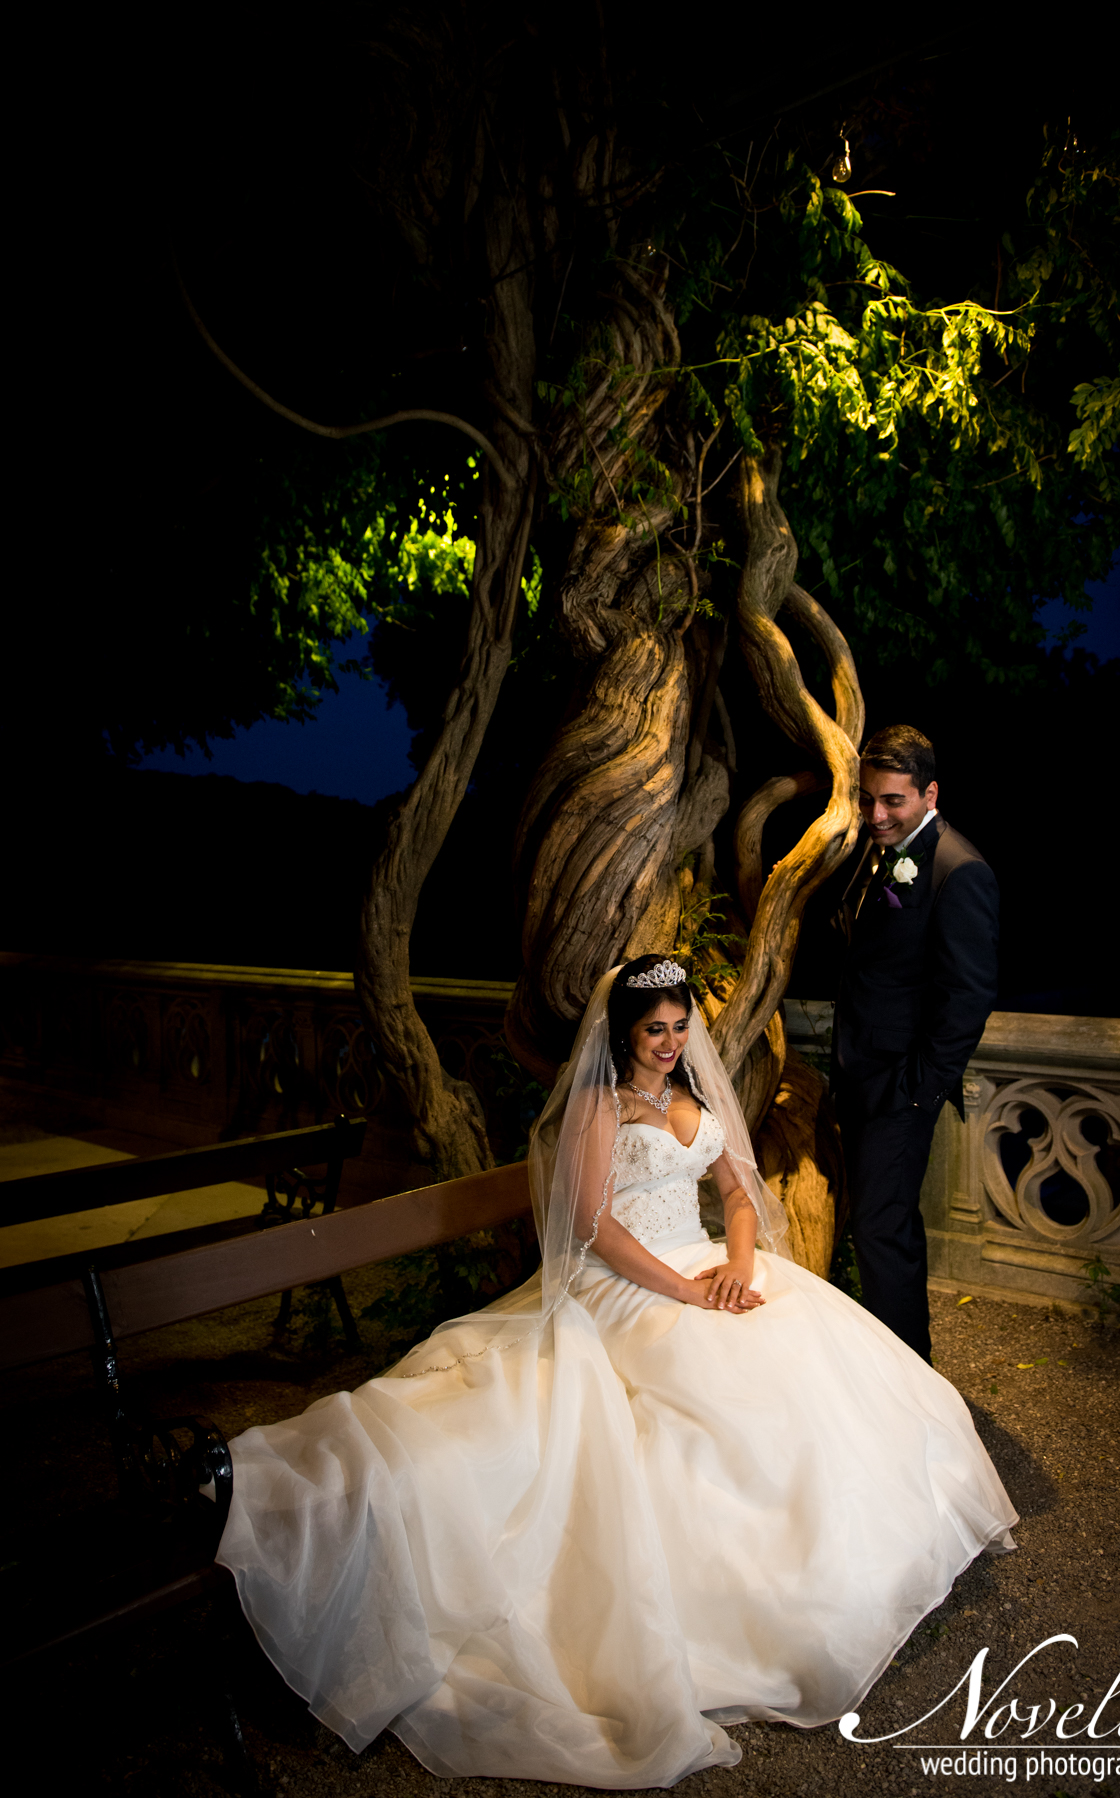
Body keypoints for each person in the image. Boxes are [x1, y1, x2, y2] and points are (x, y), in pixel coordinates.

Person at [217, 954, 1016, 1789]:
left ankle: (853, 1567)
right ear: (623, 1033)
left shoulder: (695, 1097)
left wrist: (737, 1267)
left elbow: (738, 1195)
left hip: (705, 1263)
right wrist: (686, 1290)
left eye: (679, 1027)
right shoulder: (600, 1106)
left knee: (808, 1361)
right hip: (624, 1283)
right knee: (707, 1393)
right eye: (653, 1030)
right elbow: (594, 1227)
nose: (669, 1043)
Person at [831, 724, 1000, 1364]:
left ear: (930, 794)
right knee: (878, 1226)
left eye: (892, 801)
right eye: (868, 798)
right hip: (861, 1076)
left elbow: (967, 1000)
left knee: (883, 1231)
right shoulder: (883, 850)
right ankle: (886, 1372)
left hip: (899, 1089)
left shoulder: (960, 871)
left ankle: (910, 1382)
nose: (875, 814)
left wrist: (916, 1093)